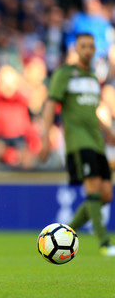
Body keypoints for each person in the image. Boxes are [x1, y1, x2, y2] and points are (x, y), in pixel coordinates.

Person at [39, 33, 115, 256]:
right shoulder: (65, 73)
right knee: (92, 188)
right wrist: (45, 138)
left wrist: (109, 131)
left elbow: (91, 111)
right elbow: (51, 104)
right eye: (83, 46)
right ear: (76, 48)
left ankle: (65, 233)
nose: (88, 50)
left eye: (91, 47)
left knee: (105, 195)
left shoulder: (92, 78)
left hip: (97, 141)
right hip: (78, 141)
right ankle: (104, 243)